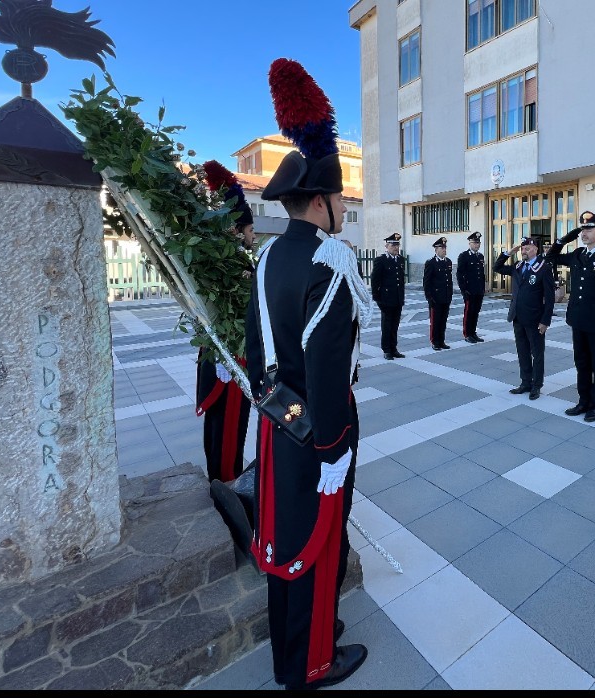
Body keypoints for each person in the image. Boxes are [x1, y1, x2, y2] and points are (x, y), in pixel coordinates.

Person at [244, 57, 372, 690]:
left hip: (274, 428)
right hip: (320, 432)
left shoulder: (268, 259)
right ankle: (311, 665)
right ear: (320, 201)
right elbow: (326, 368)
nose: (347, 205)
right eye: (342, 196)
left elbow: (252, 353)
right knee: (319, 549)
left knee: (285, 546)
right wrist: (331, 450)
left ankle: (290, 651)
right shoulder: (332, 262)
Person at [196, 160, 255, 483]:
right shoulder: (222, 264)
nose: (254, 237)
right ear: (236, 230)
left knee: (231, 423)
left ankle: (221, 476)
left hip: (238, 355)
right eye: (250, 230)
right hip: (227, 356)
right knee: (226, 423)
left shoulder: (237, 260)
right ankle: (223, 479)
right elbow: (204, 309)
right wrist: (218, 353)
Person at [545, 211, 595, 422]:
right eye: (582, 230)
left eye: (588, 229)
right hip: (578, 318)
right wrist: (563, 240)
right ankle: (583, 400)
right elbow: (550, 257)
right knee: (581, 362)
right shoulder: (578, 254)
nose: (584, 233)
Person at [493, 237, 555, 400]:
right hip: (518, 317)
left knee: (537, 353)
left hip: (535, 319)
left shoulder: (543, 268)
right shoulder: (518, 266)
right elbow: (497, 267)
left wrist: (545, 321)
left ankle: (536, 385)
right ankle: (525, 382)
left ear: (535, 249)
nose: (523, 251)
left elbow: (549, 298)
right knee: (522, 352)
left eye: (526, 248)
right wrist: (507, 253)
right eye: (522, 249)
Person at [370, 232, 407, 360]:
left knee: (395, 325)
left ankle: (394, 348)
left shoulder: (401, 260)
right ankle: (386, 350)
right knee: (386, 325)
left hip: (397, 298)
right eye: (393, 245)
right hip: (386, 299)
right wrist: (377, 297)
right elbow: (375, 280)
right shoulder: (381, 260)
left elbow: (400, 281)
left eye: (397, 245)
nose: (396, 248)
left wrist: (401, 297)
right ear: (387, 246)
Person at [424, 237, 453, 350]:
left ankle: (441, 341)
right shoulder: (431, 263)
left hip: (445, 297)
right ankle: (435, 341)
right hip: (435, 298)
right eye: (442, 247)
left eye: (445, 247)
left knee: (443, 320)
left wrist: (449, 294)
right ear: (436, 250)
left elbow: (448, 281)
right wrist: (429, 297)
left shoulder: (448, 262)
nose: (444, 250)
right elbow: (427, 282)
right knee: (435, 321)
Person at [457, 231, 487, 343]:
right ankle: (467, 334)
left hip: (479, 290)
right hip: (469, 290)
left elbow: (481, 274)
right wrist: (464, 290)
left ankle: (473, 332)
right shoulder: (464, 256)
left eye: (478, 243)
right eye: (475, 243)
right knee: (469, 313)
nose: (477, 245)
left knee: (476, 312)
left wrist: (483, 287)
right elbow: (460, 274)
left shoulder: (480, 256)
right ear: (469, 243)